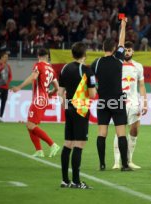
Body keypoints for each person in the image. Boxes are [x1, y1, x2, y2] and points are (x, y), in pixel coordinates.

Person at [91, 18, 132, 171]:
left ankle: (102, 164)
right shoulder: (118, 59)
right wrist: (123, 26)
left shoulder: (96, 63)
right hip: (117, 100)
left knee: (102, 133)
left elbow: (90, 81)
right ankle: (125, 165)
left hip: (102, 101)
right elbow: (122, 42)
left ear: (103, 47)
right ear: (114, 48)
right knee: (121, 133)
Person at [58, 42, 96, 189]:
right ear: (85, 55)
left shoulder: (64, 68)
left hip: (69, 109)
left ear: (72, 54)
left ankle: (65, 180)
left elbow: (60, 92)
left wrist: (66, 106)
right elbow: (92, 94)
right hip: (81, 109)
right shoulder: (86, 70)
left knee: (68, 143)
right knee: (79, 145)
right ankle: (76, 181)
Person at [11, 48, 60, 158]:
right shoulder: (52, 70)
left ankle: (52, 145)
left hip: (39, 98)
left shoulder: (38, 65)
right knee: (30, 125)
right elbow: (56, 88)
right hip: (44, 98)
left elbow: (33, 77)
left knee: (30, 125)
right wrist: (49, 94)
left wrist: (19, 87)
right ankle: (39, 151)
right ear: (47, 56)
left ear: (38, 56)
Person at [112, 41, 148, 170]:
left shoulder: (138, 66)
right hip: (119, 101)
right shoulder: (117, 64)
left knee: (134, 129)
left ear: (133, 52)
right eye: (125, 50)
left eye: (129, 50)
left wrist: (144, 102)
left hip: (134, 102)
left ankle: (129, 159)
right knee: (119, 131)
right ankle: (117, 161)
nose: (127, 52)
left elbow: (142, 86)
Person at [0, 51, 12, 122]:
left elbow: (10, 76)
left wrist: (8, 82)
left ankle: (1, 117)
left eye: (7, 57)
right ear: (1, 57)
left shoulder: (8, 66)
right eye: (5, 57)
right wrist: (1, 68)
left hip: (5, 88)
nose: (6, 58)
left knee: (3, 102)